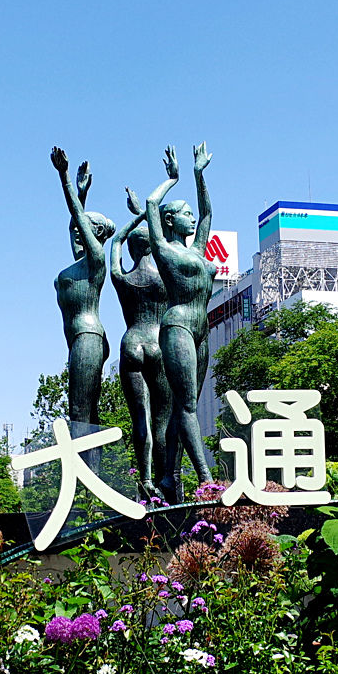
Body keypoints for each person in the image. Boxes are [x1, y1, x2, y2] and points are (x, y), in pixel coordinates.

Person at [140, 143, 214, 501]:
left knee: (187, 410)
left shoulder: (197, 251)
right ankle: (206, 480)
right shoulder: (164, 250)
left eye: (189, 213)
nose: (190, 217)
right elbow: (152, 206)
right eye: (183, 213)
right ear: (171, 221)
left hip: (201, 332)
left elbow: (207, 215)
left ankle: (168, 477)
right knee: (185, 407)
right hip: (178, 327)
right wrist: (172, 179)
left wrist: (200, 176)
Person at [51, 147, 115, 462]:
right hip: (80, 341)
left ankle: (85, 486)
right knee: (86, 415)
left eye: (84, 231)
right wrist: (81, 194)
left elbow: (76, 219)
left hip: (88, 338)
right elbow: (73, 222)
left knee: (79, 413)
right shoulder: (78, 265)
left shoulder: (96, 261)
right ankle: (91, 482)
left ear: (97, 236)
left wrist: (63, 177)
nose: (76, 234)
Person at [113, 190, 174, 500]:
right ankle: (166, 480)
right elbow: (168, 245)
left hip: (132, 341)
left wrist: (135, 218)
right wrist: (147, 215)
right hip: (159, 344)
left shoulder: (122, 278)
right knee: (163, 417)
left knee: (140, 417)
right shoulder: (165, 276)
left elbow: (114, 243)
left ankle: (145, 479)